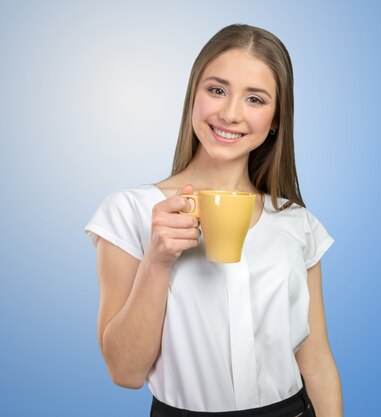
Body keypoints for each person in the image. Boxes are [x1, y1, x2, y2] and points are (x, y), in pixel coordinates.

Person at [84, 24, 342, 417]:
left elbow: (318, 362)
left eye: (255, 99)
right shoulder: (129, 212)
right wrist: (158, 259)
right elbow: (124, 372)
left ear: (276, 119)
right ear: (194, 96)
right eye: (217, 90)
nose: (230, 113)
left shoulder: (296, 223)